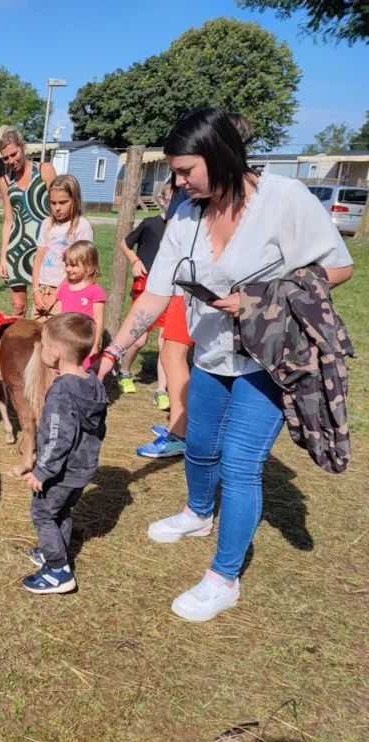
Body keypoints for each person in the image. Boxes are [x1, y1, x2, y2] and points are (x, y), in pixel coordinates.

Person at [96, 107, 353, 622]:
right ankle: (197, 511)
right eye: (174, 170)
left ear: (220, 156)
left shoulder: (284, 200)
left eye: (186, 169)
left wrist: (257, 298)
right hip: (212, 355)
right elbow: (157, 294)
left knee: (239, 464)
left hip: (270, 358)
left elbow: (340, 266)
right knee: (197, 443)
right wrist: (112, 351)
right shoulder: (186, 213)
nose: (178, 180)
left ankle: (224, 578)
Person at [139, 113, 258, 459]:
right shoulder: (191, 198)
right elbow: (157, 284)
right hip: (182, 287)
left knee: (175, 352)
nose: (179, 181)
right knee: (173, 351)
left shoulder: (266, 201)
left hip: (208, 303)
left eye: (186, 171)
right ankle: (185, 428)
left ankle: (181, 429)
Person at [21, 313, 108, 594]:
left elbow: (57, 438)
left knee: (43, 512)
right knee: (62, 510)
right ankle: (54, 550)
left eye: (43, 344)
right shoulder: (93, 383)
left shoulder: (61, 392)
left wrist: (42, 471)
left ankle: (57, 570)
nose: (42, 349)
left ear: (55, 354)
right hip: (82, 469)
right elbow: (99, 429)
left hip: (62, 471)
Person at [116, 184, 172, 407]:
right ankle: (124, 371)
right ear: (161, 199)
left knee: (166, 342)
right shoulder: (150, 223)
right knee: (138, 340)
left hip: (171, 289)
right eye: (170, 199)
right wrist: (136, 261)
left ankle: (161, 389)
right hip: (146, 288)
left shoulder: (183, 227)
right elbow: (125, 243)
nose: (174, 204)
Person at [0, 126, 56, 318]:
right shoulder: (5, 181)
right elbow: (8, 221)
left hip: (44, 248)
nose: (11, 161)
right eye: (6, 158)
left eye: (14, 154)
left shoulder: (45, 170)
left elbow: (58, 208)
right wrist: (3, 256)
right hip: (17, 249)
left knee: (45, 306)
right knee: (18, 307)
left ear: (23, 147)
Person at [32, 175, 94, 319]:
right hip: (42, 290)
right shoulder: (46, 224)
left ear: (75, 200)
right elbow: (39, 258)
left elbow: (81, 267)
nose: (57, 208)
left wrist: (55, 295)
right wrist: (36, 290)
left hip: (67, 291)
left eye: (63, 202)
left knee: (59, 337)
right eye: (53, 203)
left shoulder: (82, 227)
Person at [51, 241, 105, 369]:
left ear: (89, 265)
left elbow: (98, 318)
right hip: (65, 341)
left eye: (74, 265)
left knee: (83, 373)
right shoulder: (64, 288)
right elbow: (58, 315)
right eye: (67, 265)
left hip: (84, 342)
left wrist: (95, 343)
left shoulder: (95, 290)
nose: (68, 269)